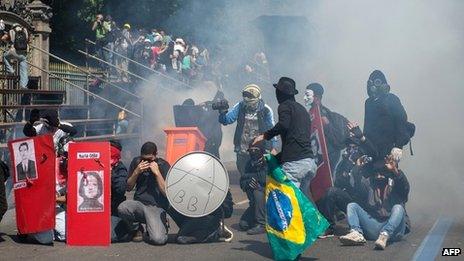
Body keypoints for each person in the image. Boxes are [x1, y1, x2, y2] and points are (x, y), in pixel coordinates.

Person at [253, 77, 316, 197]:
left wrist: (265, 135)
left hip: (295, 166)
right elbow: (295, 141)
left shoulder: (284, 106)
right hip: (309, 163)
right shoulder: (302, 110)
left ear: (280, 94)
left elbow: (283, 125)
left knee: (287, 202)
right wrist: (275, 158)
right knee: (303, 204)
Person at [339, 155, 410, 250]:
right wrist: (357, 168)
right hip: (374, 226)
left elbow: (404, 187)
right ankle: (356, 233)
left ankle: (385, 234)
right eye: (377, 172)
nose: (379, 175)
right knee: (352, 206)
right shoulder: (369, 184)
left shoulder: (396, 186)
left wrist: (395, 171)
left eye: (383, 171)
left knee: (398, 208)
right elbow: (358, 186)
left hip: (394, 230)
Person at [219, 84, 277, 177]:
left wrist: (273, 147)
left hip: (259, 151)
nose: (248, 104)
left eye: (252, 102)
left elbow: (272, 130)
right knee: (245, 177)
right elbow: (227, 120)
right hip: (242, 150)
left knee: (260, 178)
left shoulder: (266, 110)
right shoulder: (240, 106)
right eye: (245, 97)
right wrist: (222, 112)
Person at [117, 142, 170, 245]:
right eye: (144, 159)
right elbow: (128, 188)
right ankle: (137, 229)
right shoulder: (137, 162)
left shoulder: (163, 165)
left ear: (155, 155)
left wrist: (157, 173)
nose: (146, 162)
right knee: (122, 207)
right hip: (140, 205)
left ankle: (161, 224)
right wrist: (136, 172)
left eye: (149, 159)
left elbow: (166, 193)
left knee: (158, 240)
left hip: (156, 207)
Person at [363, 70, 414, 161]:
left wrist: (398, 146)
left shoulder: (391, 99)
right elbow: (367, 128)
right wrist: (364, 146)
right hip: (372, 150)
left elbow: (401, 122)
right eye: (373, 83)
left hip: (389, 150)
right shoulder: (368, 103)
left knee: (387, 172)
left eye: (379, 82)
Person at [305, 83, 349, 173]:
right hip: (319, 154)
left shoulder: (321, 113)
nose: (305, 98)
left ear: (316, 97)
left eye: (307, 95)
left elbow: (329, 132)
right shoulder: (312, 113)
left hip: (328, 154)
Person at [238, 144, 267, 234]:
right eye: (251, 150)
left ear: (262, 151)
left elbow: (264, 177)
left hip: (270, 197)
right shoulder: (249, 163)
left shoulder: (268, 161)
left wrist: (249, 177)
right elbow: (242, 182)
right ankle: (257, 217)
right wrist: (249, 181)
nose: (253, 152)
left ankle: (261, 223)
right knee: (243, 225)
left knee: (257, 191)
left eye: (256, 149)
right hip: (254, 203)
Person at [109, 140, 131, 242]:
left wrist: (110, 176)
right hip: (97, 208)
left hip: (114, 209)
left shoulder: (120, 168)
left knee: (110, 237)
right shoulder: (97, 164)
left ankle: (131, 228)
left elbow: (120, 190)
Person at [3, 23, 29, 89]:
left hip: (14, 51)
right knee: (24, 69)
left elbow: (3, 38)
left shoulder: (11, 31)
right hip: (23, 53)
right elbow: (28, 40)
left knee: (5, 56)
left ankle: (11, 70)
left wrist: (8, 41)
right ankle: (23, 85)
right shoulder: (25, 31)